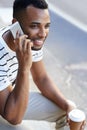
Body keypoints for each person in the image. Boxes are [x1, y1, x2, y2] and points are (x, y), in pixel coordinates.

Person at [0, 0, 78, 129]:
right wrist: (24, 68)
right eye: (35, 26)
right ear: (16, 25)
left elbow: (41, 78)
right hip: (6, 106)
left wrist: (68, 106)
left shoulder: (28, 39)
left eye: (46, 26)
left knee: (68, 111)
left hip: (7, 97)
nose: (42, 34)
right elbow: (13, 118)